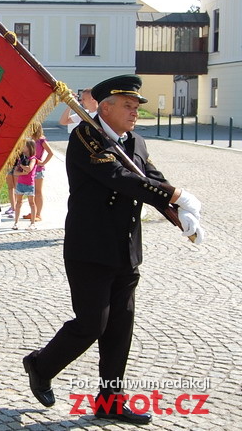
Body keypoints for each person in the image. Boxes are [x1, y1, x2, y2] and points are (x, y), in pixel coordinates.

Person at [22, 75, 205, 424]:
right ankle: (41, 364)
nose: (134, 112)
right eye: (127, 105)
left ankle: (110, 400)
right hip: (89, 247)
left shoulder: (134, 140)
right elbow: (121, 179)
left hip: (125, 248)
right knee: (92, 324)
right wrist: (176, 195)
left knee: (120, 327)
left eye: (137, 107)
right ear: (105, 106)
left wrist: (179, 214)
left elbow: (149, 174)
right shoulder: (86, 137)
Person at [23, 125, 54, 222]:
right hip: (30, 169)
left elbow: (51, 152)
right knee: (31, 192)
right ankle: (33, 212)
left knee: (38, 192)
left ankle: (38, 214)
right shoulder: (29, 139)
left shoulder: (41, 140)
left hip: (38, 169)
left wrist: (43, 162)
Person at [12, 139, 38, 230]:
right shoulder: (21, 158)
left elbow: (29, 169)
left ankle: (33, 223)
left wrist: (22, 167)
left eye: (24, 145)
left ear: (29, 147)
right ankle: (16, 222)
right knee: (18, 203)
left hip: (30, 184)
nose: (22, 147)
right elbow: (15, 172)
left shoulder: (33, 159)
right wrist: (23, 171)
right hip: (20, 183)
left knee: (32, 203)